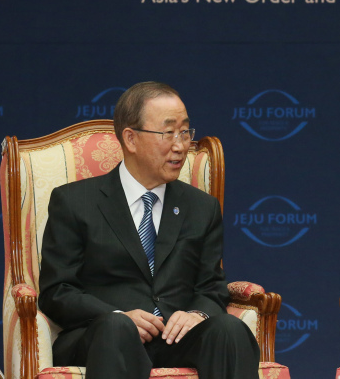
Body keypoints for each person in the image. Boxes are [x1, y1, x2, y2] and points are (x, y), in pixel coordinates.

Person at [39, 82, 260, 379]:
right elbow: (57, 291)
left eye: (185, 132)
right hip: (103, 338)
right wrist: (116, 315)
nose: (180, 145)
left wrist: (196, 314)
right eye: (168, 133)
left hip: (174, 340)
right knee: (117, 329)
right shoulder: (74, 202)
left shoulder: (201, 207)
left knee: (230, 329)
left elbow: (211, 287)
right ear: (131, 139)